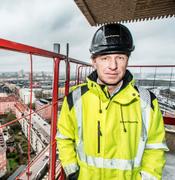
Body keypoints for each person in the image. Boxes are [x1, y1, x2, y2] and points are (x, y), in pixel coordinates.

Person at [56, 23, 168, 180]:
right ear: (94, 62)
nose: (113, 66)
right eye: (105, 58)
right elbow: (64, 138)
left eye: (120, 58)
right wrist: (73, 172)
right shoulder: (74, 100)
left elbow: (155, 147)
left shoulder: (147, 102)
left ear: (127, 60)